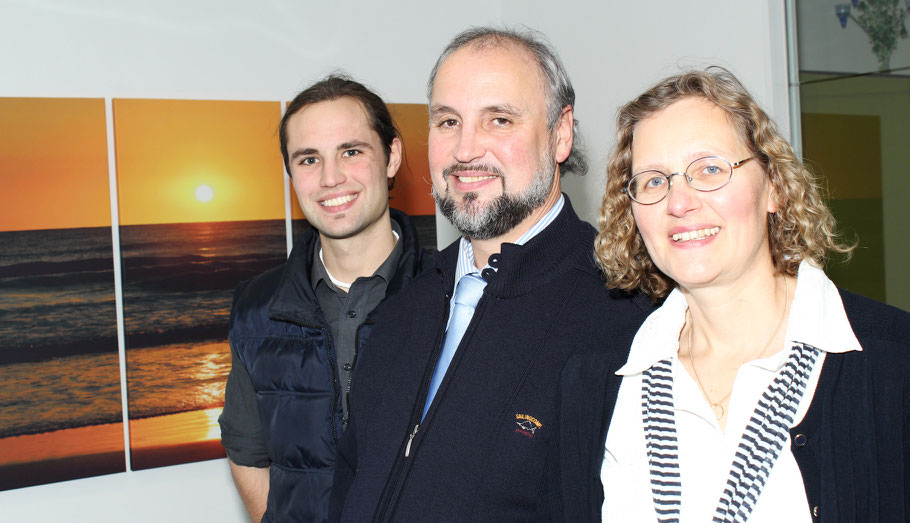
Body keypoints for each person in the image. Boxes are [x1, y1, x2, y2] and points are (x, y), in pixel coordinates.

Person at [329, 27, 653, 521]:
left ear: (560, 133)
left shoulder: (627, 316)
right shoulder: (401, 310)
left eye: (498, 120)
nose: (465, 150)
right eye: (448, 121)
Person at [585, 67, 910, 521]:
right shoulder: (599, 378)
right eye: (655, 180)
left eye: (710, 169)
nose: (679, 203)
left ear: (774, 187)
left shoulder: (894, 364)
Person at [218, 74, 431, 523]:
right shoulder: (258, 306)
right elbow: (246, 452)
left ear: (392, 157)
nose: (331, 178)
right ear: (291, 173)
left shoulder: (450, 295)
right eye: (309, 159)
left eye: (351, 152)